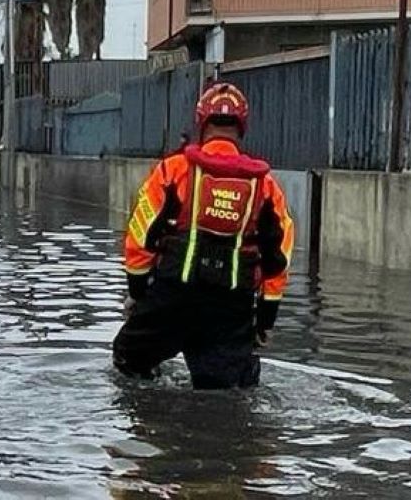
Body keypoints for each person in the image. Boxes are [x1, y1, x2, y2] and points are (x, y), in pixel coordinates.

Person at [113, 82, 293, 389]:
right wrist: (264, 322)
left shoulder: (172, 171)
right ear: (242, 126)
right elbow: (277, 263)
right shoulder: (266, 187)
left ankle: (151, 418)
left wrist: (139, 296)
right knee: (231, 393)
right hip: (230, 310)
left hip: (170, 299)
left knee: (128, 361)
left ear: (201, 123)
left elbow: (139, 239)